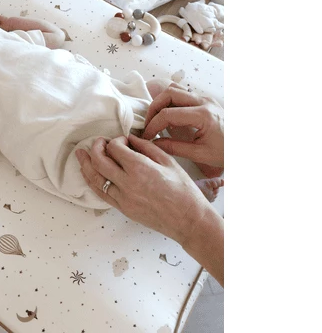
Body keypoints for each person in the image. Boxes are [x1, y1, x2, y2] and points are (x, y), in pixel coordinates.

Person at [0, 0, 223, 210]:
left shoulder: (7, 39)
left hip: (104, 96)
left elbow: (55, 36)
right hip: (76, 143)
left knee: (160, 91)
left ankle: (204, 152)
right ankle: (191, 192)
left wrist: (9, 22)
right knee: (131, 174)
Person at [75, 84, 224, 286]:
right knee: (158, 94)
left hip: (103, 104)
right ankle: (202, 166)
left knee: (155, 96)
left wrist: (191, 219)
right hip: (102, 119)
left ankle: (191, 183)